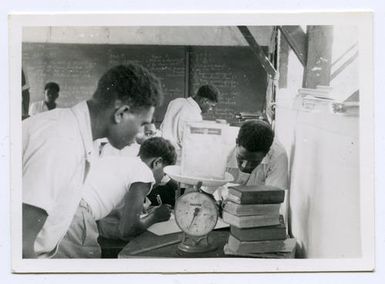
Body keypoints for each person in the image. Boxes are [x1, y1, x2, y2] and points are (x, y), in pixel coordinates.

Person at [22, 64, 163, 258]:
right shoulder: (62, 141)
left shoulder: (73, 131)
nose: (140, 137)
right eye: (142, 125)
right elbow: (19, 246)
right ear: (121, 113)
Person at [54, 137, 176, 258]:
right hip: (77, 215)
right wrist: (155, 216)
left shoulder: (115, 162)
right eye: (164, 174)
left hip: (59, 209)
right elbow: (127, 230)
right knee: (85, 270)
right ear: (157, 162)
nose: (162, 180)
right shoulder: (144, 172)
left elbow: (106, 225)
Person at [160, 84, 219, 161]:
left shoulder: (176, 101)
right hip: (177, 157)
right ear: (204, 101)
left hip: (161, 150)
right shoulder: (195, 116)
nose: (210, 109)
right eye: (211, 106)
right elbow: (191, 144)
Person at [226, 120, 289, 189]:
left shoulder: (278, 156)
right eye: (241, 158)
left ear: (267, 152)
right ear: (237, 143)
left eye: (254, 162)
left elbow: (274, 195)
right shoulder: (221, 149)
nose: (245, 167)